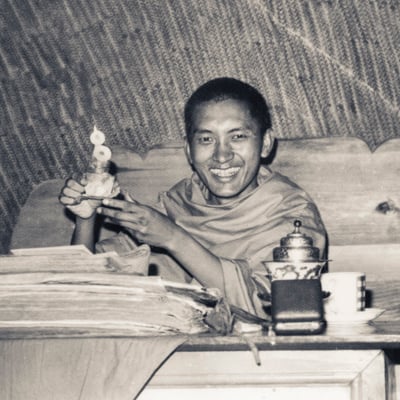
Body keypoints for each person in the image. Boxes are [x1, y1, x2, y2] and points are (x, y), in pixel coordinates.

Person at [59, 77, 327, 317]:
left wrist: (174, 239)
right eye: (207, 140)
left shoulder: (293, 214)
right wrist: (86, 220)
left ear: (266, 144)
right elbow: (87, 289)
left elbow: (274, 307)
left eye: (237, 137)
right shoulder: (177, 204)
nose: (222, 156)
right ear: (189, 150)